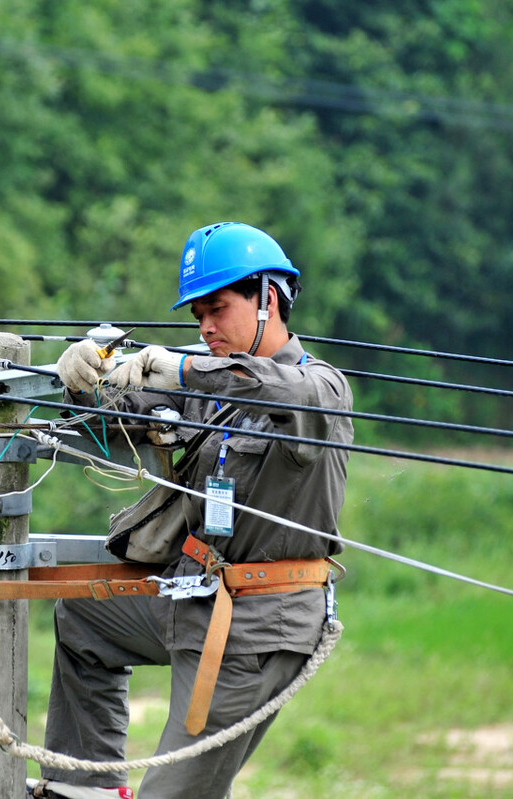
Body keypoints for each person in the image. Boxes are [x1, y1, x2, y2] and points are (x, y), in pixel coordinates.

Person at [35, 221, 353, 799]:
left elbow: (285, 393)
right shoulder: (203, 381)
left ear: (270, 300)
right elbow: (113, 417)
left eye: (217, 308)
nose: (205, 327)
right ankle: (83, 788)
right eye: (196, 316)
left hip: (258, 627)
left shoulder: (322, 389)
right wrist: (84, 379)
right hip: (194, 598)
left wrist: (178, 367)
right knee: (83, 616)